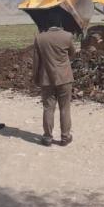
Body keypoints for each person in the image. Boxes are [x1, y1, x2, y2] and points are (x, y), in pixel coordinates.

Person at [32, 11, 76, 146]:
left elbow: (36, 62)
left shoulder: (40, 38)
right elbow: (72, 54)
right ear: (60, 23)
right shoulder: (67, 36)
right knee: (65, 108)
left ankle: (47, 137)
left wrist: (35, 78)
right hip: (64, 78)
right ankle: (65, 137)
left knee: (48, 108)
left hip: (46, 80)